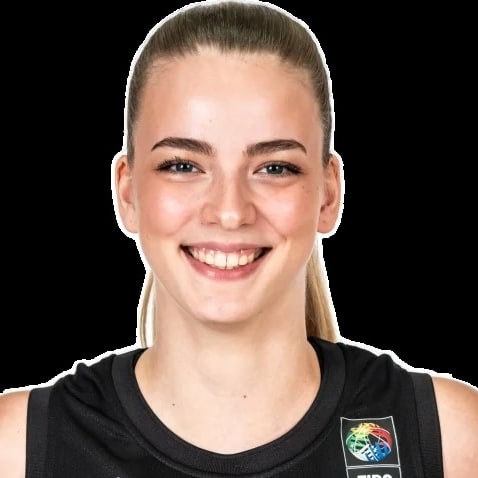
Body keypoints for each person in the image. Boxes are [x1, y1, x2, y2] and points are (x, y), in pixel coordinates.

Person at [1, 1, 477, 476]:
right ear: (127, 192)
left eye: (275, 168)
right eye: (182, 165)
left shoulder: (454, 439)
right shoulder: (15, 449)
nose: (229, 212)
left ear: (328, 194)